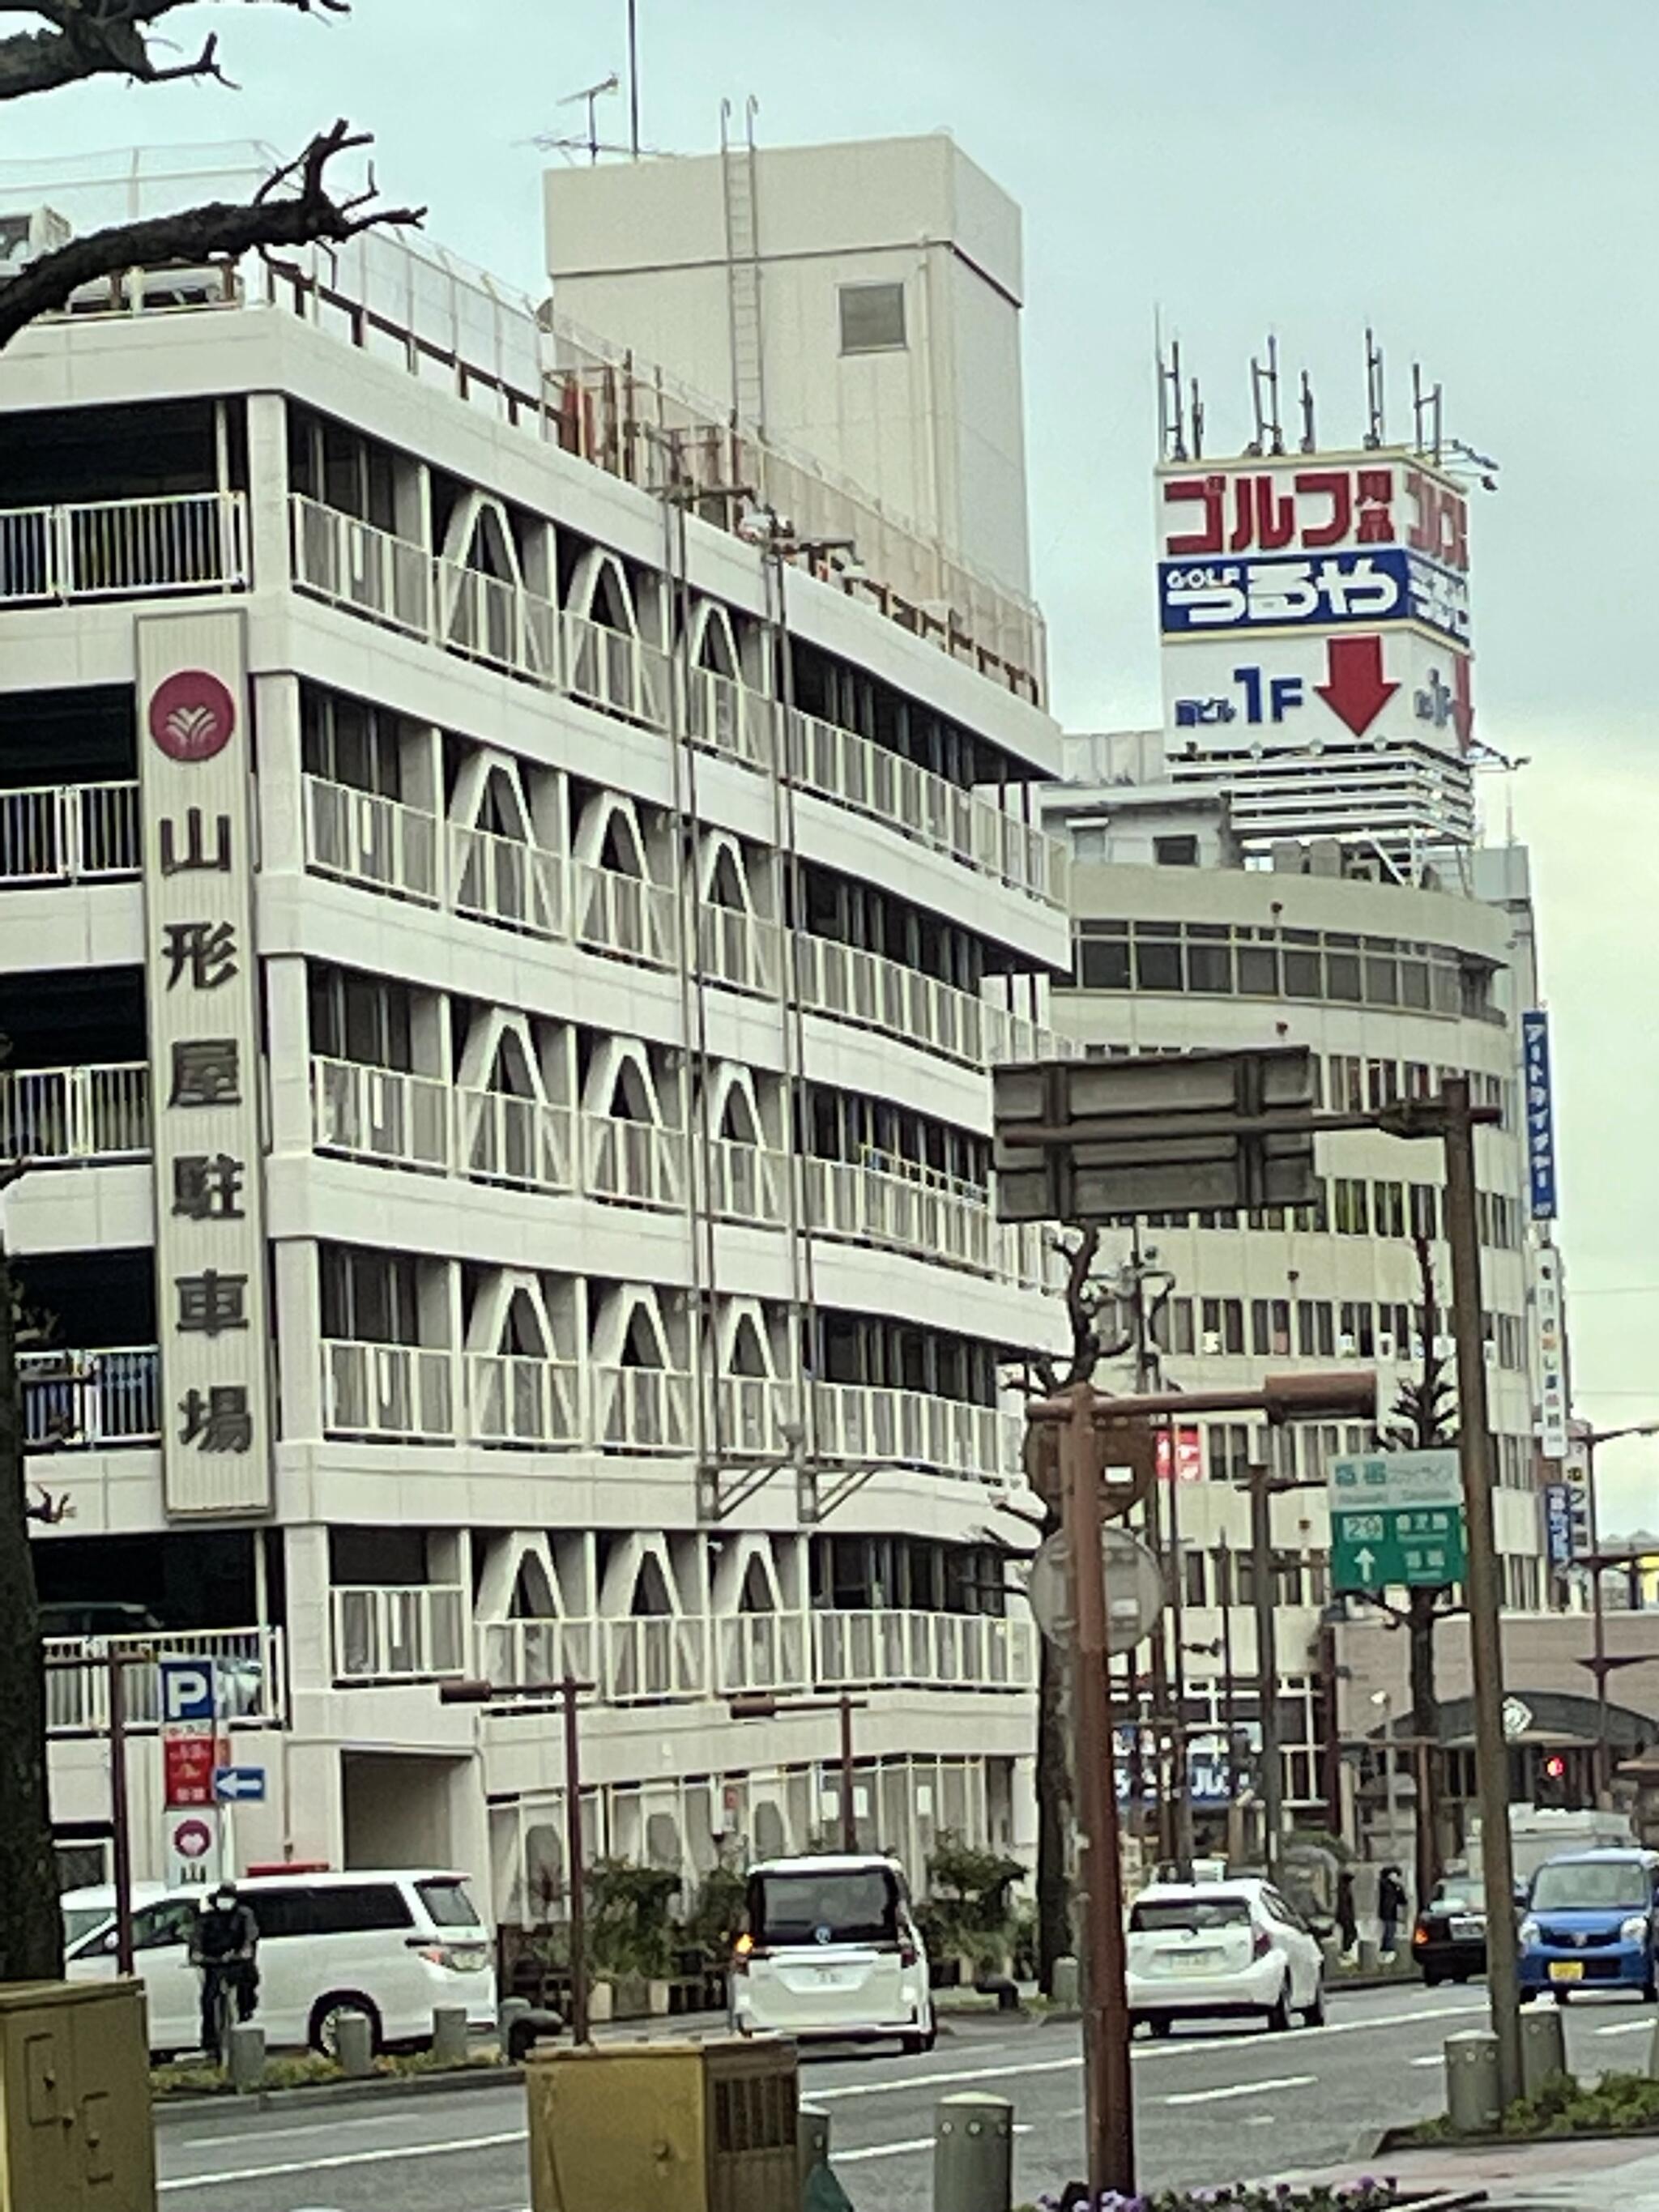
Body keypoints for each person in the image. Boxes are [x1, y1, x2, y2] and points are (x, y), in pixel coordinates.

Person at [188, 1882, 260, 2059]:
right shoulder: (207, 1919)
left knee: (247, 1984)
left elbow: (250, 1935)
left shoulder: (244, 1915)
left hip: (237, 1963)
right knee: (208, 1999)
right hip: (213, 1964)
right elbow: (196, 1938)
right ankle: (210, 2041)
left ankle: (245, 2014)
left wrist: (244, 1951)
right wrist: (197, 1954)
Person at [1378, 1864, 1408, 1960]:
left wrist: (1399, 1888)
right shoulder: (1384, 1883)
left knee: (1391, 1930)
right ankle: (1386, 1950)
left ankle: (1387, 1950)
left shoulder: (1395, 1887)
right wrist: (1395, 1884)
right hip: (1386, 1911)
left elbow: (1403, 1900)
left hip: (1393, 1911)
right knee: (1389, 1931)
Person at [1335, 1867, 1359, 1960]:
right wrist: (1348, 1916)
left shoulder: (1345, 1887)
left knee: (1350, 1934)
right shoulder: (1343, 1888)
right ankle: (1345, 1950)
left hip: (1346, 1915)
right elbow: (1344, 1904)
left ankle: (1345, 1950)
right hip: (1345, 1916)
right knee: (1351, 1934)